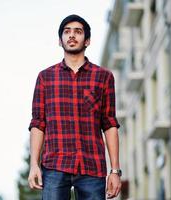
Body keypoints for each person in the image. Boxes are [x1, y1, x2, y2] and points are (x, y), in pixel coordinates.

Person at [28, 14, 122, 200]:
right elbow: (38, 124)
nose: (72, 35)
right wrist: (34, 164)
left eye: (78, 32)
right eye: (67, 32)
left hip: (92, 166)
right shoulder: (45, 78)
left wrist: (115, 170)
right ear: (59, 40)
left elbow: (109, 124)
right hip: (54, 165)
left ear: (86, 41)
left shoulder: (103, 77)